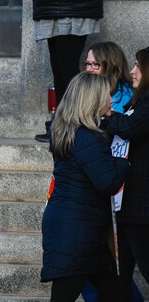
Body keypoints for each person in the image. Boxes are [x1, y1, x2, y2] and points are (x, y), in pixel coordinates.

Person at [2, 0, 108, 142]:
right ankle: (62, 126)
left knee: (66, 70)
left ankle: (72, 127)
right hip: (59, 5)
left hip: (72, 6)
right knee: (60, 70)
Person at [42, 72, 128, 301]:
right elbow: (108, 182)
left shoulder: (71, 132)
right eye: (107, 96)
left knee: (114, 291)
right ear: (92, 100)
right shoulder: (87, 138)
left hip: (77, 228)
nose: (111, 100)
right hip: (75, 233)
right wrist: (123, 161)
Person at [81, 42, 143, 302]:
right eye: (87, 64)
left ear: (111, 66)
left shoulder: (128, 97)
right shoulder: (82, 90)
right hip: (95, 185)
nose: (90, 69)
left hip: (117, 187)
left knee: (114, 261)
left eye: (96, 64)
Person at [102, 46, 149, 301]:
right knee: (120, 269)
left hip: (140, 204)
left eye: (138, 66)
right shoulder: (139, 99)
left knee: (141, 262)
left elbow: (130, 126)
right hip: (127, 200)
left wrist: (104, 115)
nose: (132, 71)